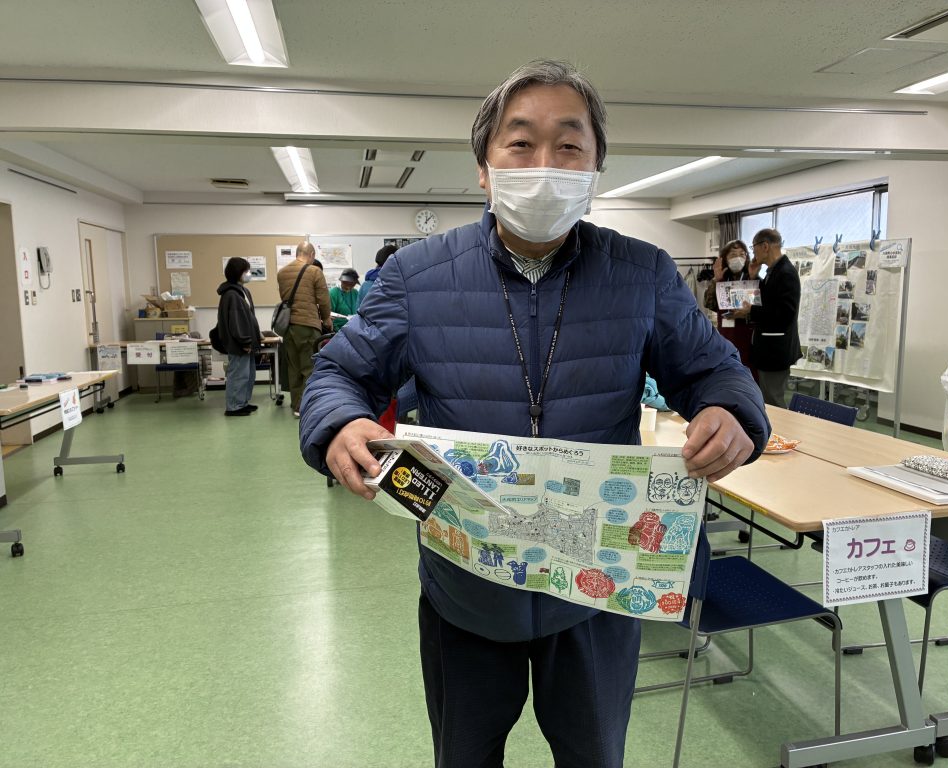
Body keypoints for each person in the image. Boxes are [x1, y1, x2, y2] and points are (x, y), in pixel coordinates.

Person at [299, 60, 769, 768]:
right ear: (484, 169)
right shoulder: (418, 277)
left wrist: (732, 410)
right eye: (520, 143)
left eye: (569, 145)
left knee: (594, 756)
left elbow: (715, 370)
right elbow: (339, 372)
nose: (545, 164)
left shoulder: (642, 275)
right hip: (466, 583)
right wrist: (338, 422)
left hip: (597, 588)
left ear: (596, 167)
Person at [731, 228, 801, 407]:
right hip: (767, 349)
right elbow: (769, 299)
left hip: (775, 351)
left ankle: (779, 427)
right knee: (767, 398)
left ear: (765, 246)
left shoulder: (786, 273)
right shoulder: (773, 271)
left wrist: (751, 311)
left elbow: (785, 314)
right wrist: (755, 278)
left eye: (753, 247)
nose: (753, 253)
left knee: (773, 401)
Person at [277, 241, 331, 418]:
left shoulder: (282, 273)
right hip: (308, 325)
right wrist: (326, 319)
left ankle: (296, 405)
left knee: (293, 368)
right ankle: (306, 406)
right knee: (309, 367)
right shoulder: (315, 271)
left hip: (288, 326)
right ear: (312, 255)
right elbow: (323, 300)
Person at [215, 257, 262, 416]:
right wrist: (245, 341)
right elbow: (236, 322)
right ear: (238, 273)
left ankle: (243, 402)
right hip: (239, 344)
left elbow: (249, 317)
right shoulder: (232, 294)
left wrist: (256, 335)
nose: (249, 274)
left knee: (248, 375)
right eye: (246, 271)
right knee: (238, 375)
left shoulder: (242, 291)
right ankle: (234, 406)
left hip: (247, 343)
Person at [703, 239, 756, 377]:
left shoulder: (751, 278)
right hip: (726, 335)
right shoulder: (722, 279)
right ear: (725, 258)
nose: (738, 258)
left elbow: (761, 311)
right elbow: (709, 304)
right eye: (733, 255)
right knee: (727, 374)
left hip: (747, 337)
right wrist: (716, 280)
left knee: (748, 375)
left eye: (742, 254)